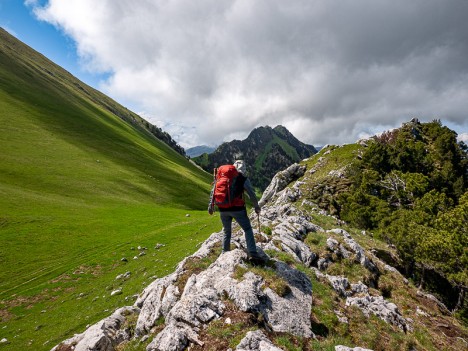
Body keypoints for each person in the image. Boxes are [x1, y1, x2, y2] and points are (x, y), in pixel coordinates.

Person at [208, 160, 264, 262]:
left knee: (227, 231)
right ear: (244, 169)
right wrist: (256, 207)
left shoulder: (221, 177)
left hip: (222, 208)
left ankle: (225, 252)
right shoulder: (242, 178)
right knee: (247, 229)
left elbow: (213, 191)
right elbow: (252, 194)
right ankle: (253, 253)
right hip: (238, 209)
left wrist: (210, 206)